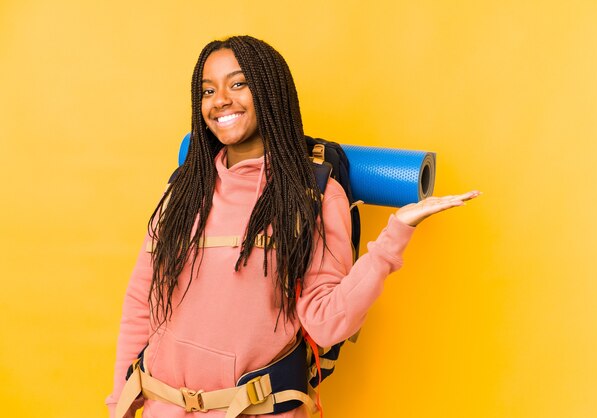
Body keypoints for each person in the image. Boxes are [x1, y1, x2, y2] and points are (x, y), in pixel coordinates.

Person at [106, 35, 480, 418]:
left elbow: (326, 322)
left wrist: (394, 235)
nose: (220, 100)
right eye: (207, 90)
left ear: (270, 91)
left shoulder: (312, 196)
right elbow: (141, 302)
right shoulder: (183, 191)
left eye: (238, 84)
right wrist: (119, 402)